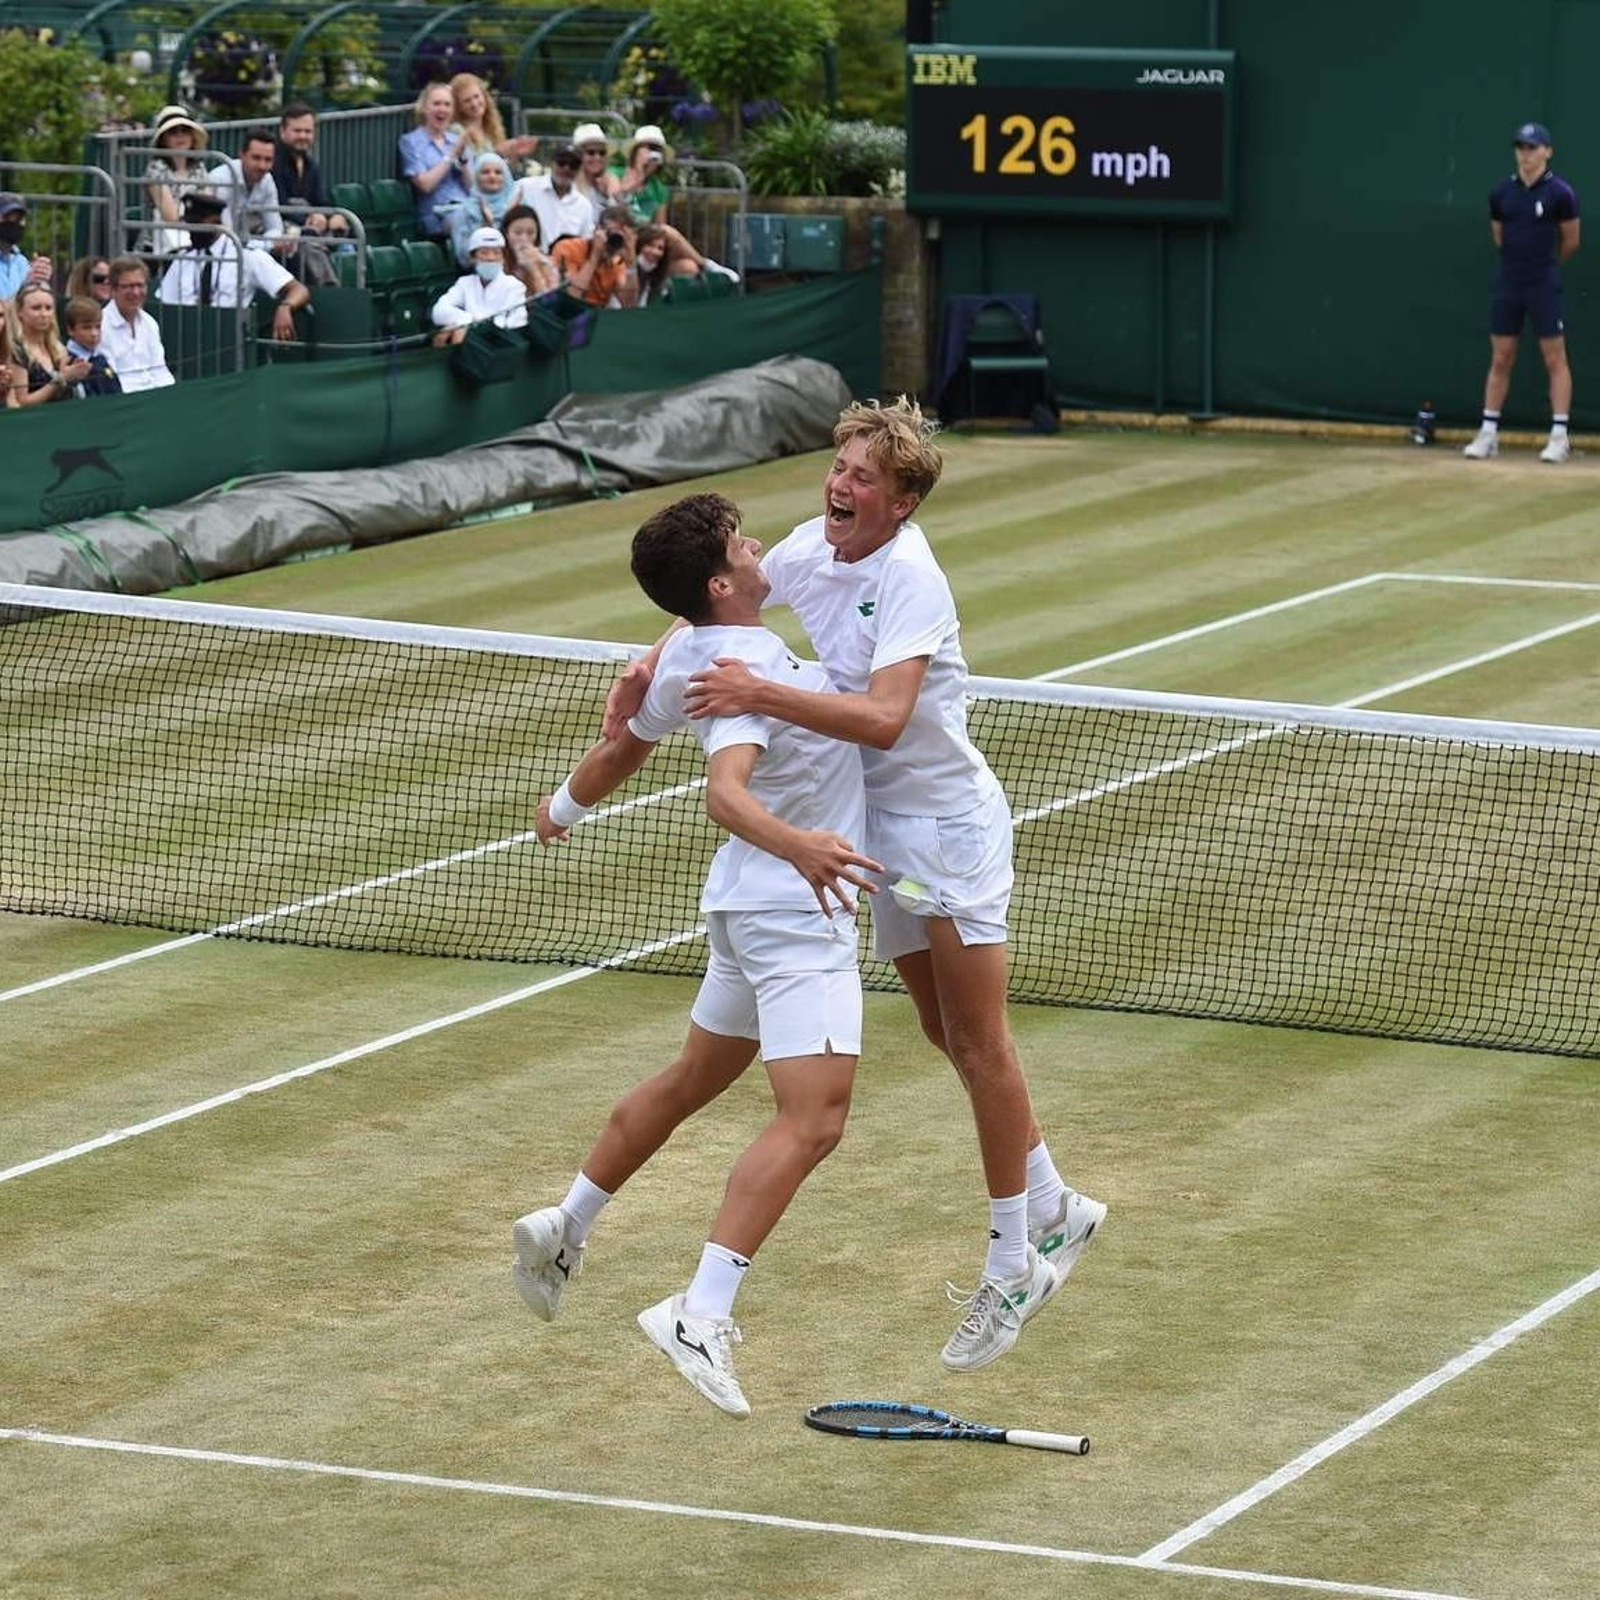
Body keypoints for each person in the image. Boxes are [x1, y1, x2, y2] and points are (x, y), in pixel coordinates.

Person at [608, 398, 1105, 1373]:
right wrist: (645, 663)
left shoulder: (909, 579)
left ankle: (1016, 1257)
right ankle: (1057, 1203)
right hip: (882, 835)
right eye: (839, 467)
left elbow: (882, 717)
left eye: (864, 476)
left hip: (945, 833)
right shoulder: (809, 548)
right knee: (940, 1030)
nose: (840, 485)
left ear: (902, 500)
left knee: (978, 1038)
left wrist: (758, 693)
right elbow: (707, 604)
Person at [512, 491, 880, 1418]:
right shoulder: (743, 657)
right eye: (740, 544)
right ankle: (700, 1311)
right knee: (815, 1120)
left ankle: (568, 1223)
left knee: (691, 1079)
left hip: (740, 911)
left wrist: (560, 810)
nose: (758, 548)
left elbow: (623, 746)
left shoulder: (684, 647)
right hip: (796, 911)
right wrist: (804, 847)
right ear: (722, 582)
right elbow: (725, 793)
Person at [1465, 121, 1581, 464]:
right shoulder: (1501, 193)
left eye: (1532, 147)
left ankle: (1559, 437)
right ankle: (1488, 434)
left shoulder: (1561, 193)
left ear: (1547, 152)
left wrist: (1544, 268)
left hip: (1543, 283)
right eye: (1521, 147)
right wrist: (1516, 268)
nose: (1525, 154)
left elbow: (1571, 241)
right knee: (1501, 357)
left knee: (1554, 358)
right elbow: (1499, 235)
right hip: (1508, 283)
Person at [159, 192, 310, 343]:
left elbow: (299, 290)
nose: (190, 231)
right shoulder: (182, 258)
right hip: (186, 338)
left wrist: (285, 307)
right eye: (189, 224)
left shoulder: (245, 256)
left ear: (215, 222)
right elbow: (165, 305)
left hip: (228, 340)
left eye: (196, 224)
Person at [271, 101, 352, 265]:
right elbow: (278, 205)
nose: (303, 136)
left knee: (347, 242)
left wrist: (334, 216)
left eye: (307, 131)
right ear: (283, 132)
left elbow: (321, 200)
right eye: (297, 131)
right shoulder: (272, 162)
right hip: (285, 232)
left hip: (313, 229)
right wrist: (310, 218)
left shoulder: (311, 166)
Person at [399, 82, 473, 244]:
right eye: (436, 104)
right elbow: (425, 184)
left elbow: (472, 188)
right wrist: (450, 156)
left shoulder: (456, 140)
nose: (442, 109)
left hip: (467, 206)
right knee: (467, 222)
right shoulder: (411, 142)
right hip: (436, 215)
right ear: (425, 108)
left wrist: (464, 160)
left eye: (447, 104)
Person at [430, 224, 527, 345]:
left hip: (502, 347)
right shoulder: (464, 283)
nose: (491, 258)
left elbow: (511, 323)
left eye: (497, 253)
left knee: (460, 332)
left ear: (503, 258)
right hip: (474, 343)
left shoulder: (514, 286)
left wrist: (471, 325)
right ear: (473, 258)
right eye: (484, 253)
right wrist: (465, 320)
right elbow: (438, 311)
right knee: (446, 334)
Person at [6, 285, 91, 407]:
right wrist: (61, 379)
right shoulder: (16, 350)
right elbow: (22, 401)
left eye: (48, 308)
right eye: (36, 308)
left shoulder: (58, 348)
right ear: (20, 312)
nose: (44, 314)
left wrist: (75, 376)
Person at [142, 105, 210, 258]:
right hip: (159, 248)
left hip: (196, 238)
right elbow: (170, 217)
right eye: (173, 132)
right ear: (163, 139)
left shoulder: (199, 168)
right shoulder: (155, 169)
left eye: (185, 130)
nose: (180, 136)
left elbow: (209, 207)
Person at [99, 255, 175, 391]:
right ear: (113, 289)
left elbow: (161, 372)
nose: (135, 292)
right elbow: (112, 380)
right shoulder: (101, 325)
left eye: (140, 285)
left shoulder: (150, 323)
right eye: (128, 286)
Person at [208, 130, 286, 252]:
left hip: (248, 248)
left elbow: (275, 227)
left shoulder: (267, 180)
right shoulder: (221, 179)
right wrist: (268, 245)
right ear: (242, 155)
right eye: (256, 158)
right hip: (217, 252)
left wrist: (268, 244)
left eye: (268, 160)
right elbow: (226, 236)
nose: (262, 165)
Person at [552, 203, 639, 308]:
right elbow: (572, 296)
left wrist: (631, 264)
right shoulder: (568, 247)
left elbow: (629, 305)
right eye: (610, 233)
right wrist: (594, 257)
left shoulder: (617, 264)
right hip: (562, 311)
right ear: (597, 229)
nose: (613, 240)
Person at [450, 72, 537, 168]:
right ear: (459, 106)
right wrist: (497, 152)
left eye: (476, 96)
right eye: (467, 100)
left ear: (484, 96)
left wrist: (514, 153)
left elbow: (501, 172)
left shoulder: (493, 128)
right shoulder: (457, 130)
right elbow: (467, 167)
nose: (474, 104)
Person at [521, 143, 595, 249]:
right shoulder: (526, 187)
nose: (566, 168)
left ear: (579, 169)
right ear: (552, 163)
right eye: (562, 162)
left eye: (573, 165)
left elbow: (586, 242)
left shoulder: (584, 205)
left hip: (567, 262)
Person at [449, 151, 516, 266]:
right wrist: (486, 227)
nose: (492, 176)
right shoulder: (464, 212)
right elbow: (464, 258)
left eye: (498, 172)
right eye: (485, 172)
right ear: (476, 177)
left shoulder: (518, 206)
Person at [61, 297, 122, 398]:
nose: (94, 333)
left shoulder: (100, 358)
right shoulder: (69, 363)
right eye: (86, 327)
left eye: (98, 327)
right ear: (70, 330)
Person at [0, 192, 55, 301]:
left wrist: (40, 283)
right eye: (7, 218)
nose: (13, 224)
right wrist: (27, 286)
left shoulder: (22, 262)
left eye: (19, 219)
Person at [501, 204, 560, 298]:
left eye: (530, 233)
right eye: (518, 233)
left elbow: (549, 301)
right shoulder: (498, 263)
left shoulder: (545, 262)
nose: (524, 239)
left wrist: (533, 270)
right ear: (506, 234)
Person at [571, 121, 617, 221]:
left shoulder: (610, 183)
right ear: (578, 155)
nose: (597, 157)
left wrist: (610, 197)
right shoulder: (569, 186)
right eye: (591, 152)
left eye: (602, 153)